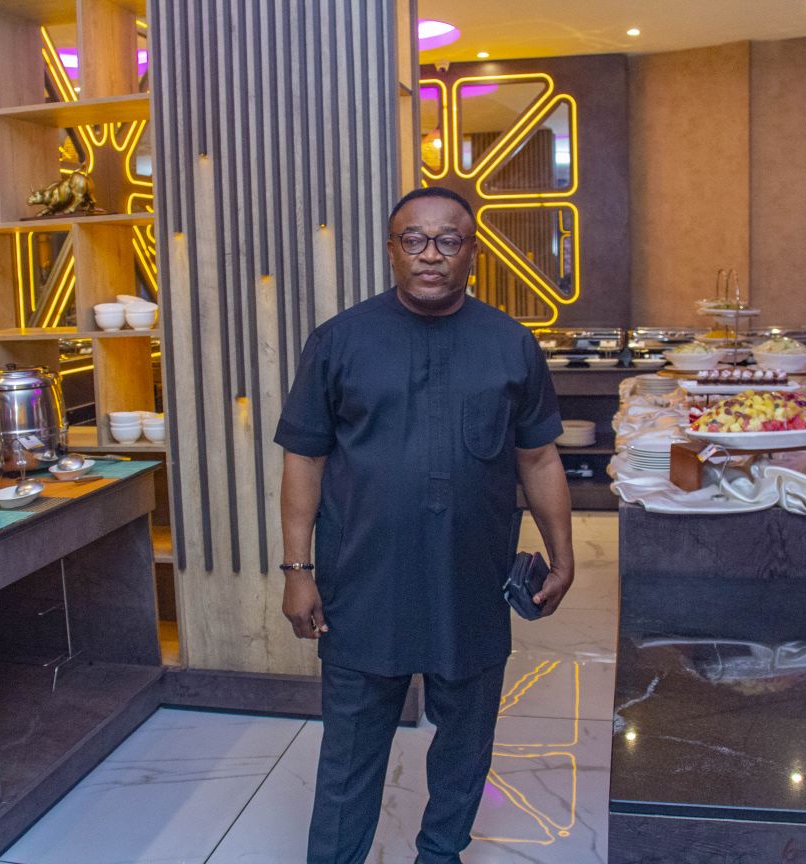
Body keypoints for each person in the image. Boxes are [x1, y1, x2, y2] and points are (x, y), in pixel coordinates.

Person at [274, 186, 575, 864]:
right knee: (351, 752)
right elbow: (304, 458)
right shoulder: (339, 341)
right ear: (391, 250)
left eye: (448, 240)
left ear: (472, 252)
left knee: (466, 744)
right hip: (363, 581)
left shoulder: (510, 343)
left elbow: (538, 456)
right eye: (414, 240)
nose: (430, 254)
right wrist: (297, 571)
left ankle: (441, 854)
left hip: (471, 580)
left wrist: (562, 556)